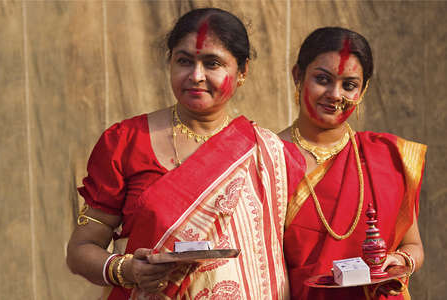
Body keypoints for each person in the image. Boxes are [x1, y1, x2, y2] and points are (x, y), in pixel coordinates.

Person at [67, 8, 305, 300]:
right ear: (169, 63)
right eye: (184, 61)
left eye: (212, 63)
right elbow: (81, 249)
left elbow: (294, 257)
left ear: (242, 72)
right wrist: (126, 269)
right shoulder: (126, 142)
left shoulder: (269, 154)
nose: (196, 76)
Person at [280, 27, 426, 300]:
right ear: (297, 75)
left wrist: (402, 261)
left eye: (349, 85)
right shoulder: (267, 156)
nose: (335, 94)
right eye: (323, 79)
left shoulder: (386, 158)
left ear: (363, 89)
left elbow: (414, 245)